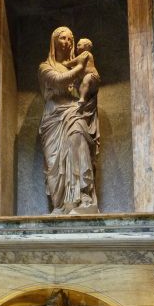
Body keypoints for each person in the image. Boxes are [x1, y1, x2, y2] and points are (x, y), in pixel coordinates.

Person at [38, 27, 100, 215]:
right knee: (54, 166)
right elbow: (58, 80)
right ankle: (59, 205)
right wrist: (81, 66)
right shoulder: (45, 67)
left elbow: (90, 86)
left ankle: (83, 196)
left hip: (74, 111)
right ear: (54, 42)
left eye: (70, 39)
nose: (67, 42)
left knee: (78, 138)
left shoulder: (78, 66)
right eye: (63, 38)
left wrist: (91, 78)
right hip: (53, 118)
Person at [63, 38, 100, 104]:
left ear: (86, 47)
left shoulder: (85, 53)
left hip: (92, 76)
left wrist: (66, 64)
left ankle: (82, 98)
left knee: (86, 81)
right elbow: (77, 64)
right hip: (84, 78)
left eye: (79, 45)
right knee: (80, 84)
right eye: (77, 45)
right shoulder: (81, 56)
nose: (77, 47)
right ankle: (84, 98)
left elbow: (74, 62)